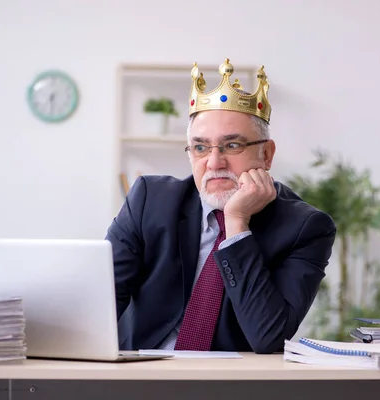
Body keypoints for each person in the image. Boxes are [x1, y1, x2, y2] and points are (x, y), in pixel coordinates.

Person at [106, 58, 336, 354]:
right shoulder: (149, 200)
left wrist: (236, 223)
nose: (214, 163)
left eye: (232, 146)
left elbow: (270, 338)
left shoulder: (306, 228)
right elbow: (100, 305)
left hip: (230, 384)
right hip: (140, 376)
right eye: (200, 148)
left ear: (266, 154)